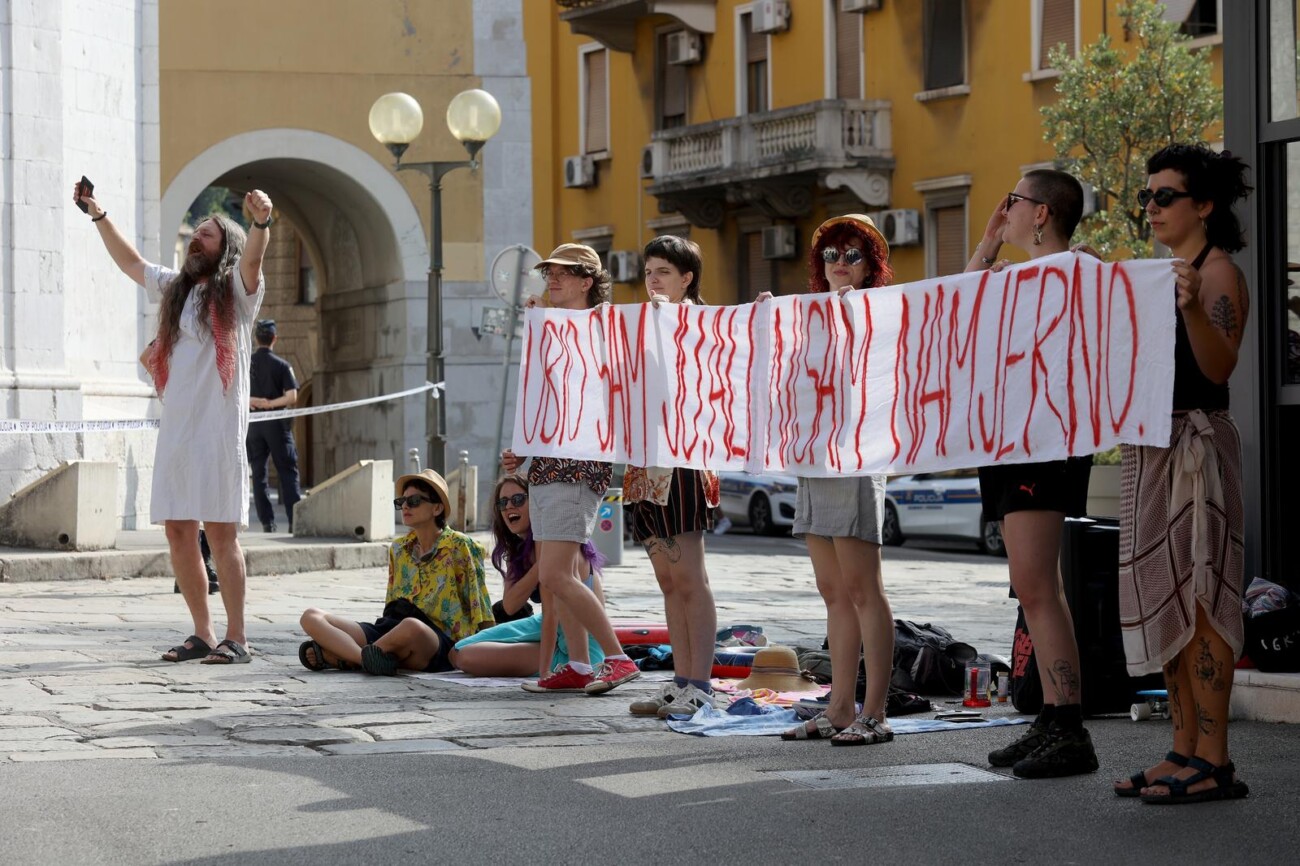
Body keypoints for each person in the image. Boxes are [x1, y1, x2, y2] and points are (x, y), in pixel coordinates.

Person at [78, 181, 270, 665]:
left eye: (206, 235)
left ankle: (238, 637)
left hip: (219, 433)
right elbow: (130, 263)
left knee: (222, 536)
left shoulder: (237, 293)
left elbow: (254, 261)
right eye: (195, 233)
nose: (196, 240)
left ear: (224, 248)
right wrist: (99, 213)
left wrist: (261, 223)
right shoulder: (176, 289)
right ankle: (202, 634)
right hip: (178, 432)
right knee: (178, 532)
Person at [1115, 145, 1252, 804]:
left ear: (1202, 205)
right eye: (1146, 197)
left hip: (1197, 443)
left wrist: (1194, 307)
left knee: (1202, 600)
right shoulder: (1158, 273)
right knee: (1166, 596)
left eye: (1164, 196)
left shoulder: (1218, 274)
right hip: (1155, 442)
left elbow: (1220, 366)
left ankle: (1216, 759)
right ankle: (1183, 748)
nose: (1151, 208)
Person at [965, 170, 1099, 778]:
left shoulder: (1079, 272)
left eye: (1013, 200)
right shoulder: (1012, 277)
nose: (1005, 208)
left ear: (1042, 213)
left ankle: (1069, 726)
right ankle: (1053, 715)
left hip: (1043, 443)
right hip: (1010, 441)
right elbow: (953, 317)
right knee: (1038, 585)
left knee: (1036, 584)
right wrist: (989, 241)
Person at [760, 214, 896, 747]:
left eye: (852, 254)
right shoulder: (808, 317)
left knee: (864, 589)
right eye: (830, 255)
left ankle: (876, 711)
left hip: (856, 458)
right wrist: (769, 326)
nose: (839, 263)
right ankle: (841, 706)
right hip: (814, 458)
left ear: (871, 265)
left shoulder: (881, 312)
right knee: (832, 591)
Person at [501, 243, 640, 694]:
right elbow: (547, 401)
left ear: (587, 282)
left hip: (577, 465)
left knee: (556, 573)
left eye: (564, 273)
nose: (552, 280)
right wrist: (524, 449)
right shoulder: (552, 329)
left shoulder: (603, 330)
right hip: (547, 464)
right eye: (549, 273)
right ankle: (579, 664)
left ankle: (616, 657)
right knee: (568, 572)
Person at [623, 237, 724, 718]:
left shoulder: (702, 325)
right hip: (644, 462)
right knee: (666, 579)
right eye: (648, 272)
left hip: (684, 458)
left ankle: (700, 685)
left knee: (689, 576)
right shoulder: (639, 326)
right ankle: (679, 681)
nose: (653, 280)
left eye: (663, 271)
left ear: (687, 278)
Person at [298, 469, 494, 675]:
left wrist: (488, 648)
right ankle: (365, 658)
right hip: (391, 629)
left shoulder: (460, 545)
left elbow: (479, 601)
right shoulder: (399, 548)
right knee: (311, 616)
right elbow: (391, 600)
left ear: (437, 508)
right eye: (402, 502)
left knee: (412, 627)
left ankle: (342, 656)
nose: (406, 506)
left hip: (435, 638)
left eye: (415, 500)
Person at [449, 475, 605, 678]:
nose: (509, 508)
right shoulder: (519, 549)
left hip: (577, 646)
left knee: (467, 657)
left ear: (538, 503)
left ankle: (556, 664)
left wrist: (544, 672)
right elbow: (510, 605)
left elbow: (553, 614)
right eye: (503, 503)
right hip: (545, 626)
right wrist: (539, 566)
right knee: (456, 651)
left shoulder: (561, 544)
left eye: (518, 500)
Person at [247, 318, 303, 532]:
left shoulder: (246, 364)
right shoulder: (282, 366)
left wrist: (252, 401)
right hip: (276, 423)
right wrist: (270, 403)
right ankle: (293, 521)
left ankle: (267, 523)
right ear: (274, 339)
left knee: (259, 474)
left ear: (256, 338)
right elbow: (292, 396)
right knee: (287, 471)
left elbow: (235, 393)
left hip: (254, 425)